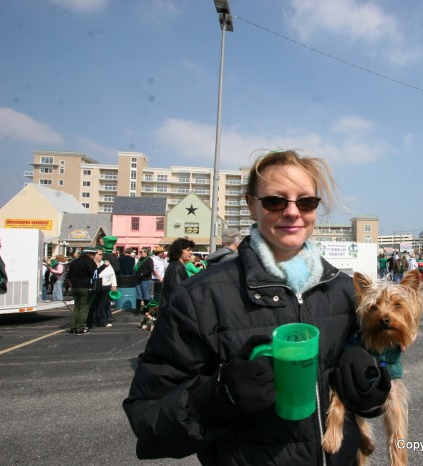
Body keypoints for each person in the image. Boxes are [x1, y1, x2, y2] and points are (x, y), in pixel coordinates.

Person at [123, 149, 388, 464]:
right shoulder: (198, 298)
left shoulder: (346, 292)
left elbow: (374, 388)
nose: (292, 212)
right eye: (275, 201)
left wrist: (372, 388)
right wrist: (218, 396)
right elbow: (148, 420)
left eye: (305, 202)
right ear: (251, 205)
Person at [66, 248, 98, 335]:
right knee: (84, 307)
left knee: (77, 307)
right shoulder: (89, 262)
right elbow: (95, 275)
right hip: (85, 287)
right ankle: (81, 327)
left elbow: (68, 275)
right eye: (94, 255)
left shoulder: (74, 262)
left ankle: (72, 327)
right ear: (90, 254)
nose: (94, 256)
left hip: (75, 287)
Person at [86, 250, 117, 328]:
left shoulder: (106, 263)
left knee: (102, 305)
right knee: (93, 305)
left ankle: (102, 321)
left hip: (106, 285)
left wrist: (114, 285)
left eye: (102, 254)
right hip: (95, 286)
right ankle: (91, 321)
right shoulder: (91, 264)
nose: (101, 256)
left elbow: (112, 274)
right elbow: (94, 274)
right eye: (99, 254)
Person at [160, 237, 195, 306]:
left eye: (191, 250)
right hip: (173, 310)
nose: (191, 252)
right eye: (188, 250)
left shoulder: (176, 265)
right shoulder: (177, 267)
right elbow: (178, 292)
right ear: (179, 251)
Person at [134, 249, 154, 313]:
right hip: (138, 278)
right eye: (140, 252)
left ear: (146, 253)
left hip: (146, 279)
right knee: (139, 295)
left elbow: (151, 269)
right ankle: (137, 309)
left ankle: (146, 309)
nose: (141, 253)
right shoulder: (140, 259)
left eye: (142, 252)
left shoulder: (149, 259)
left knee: (146, 294)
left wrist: (143, 273)